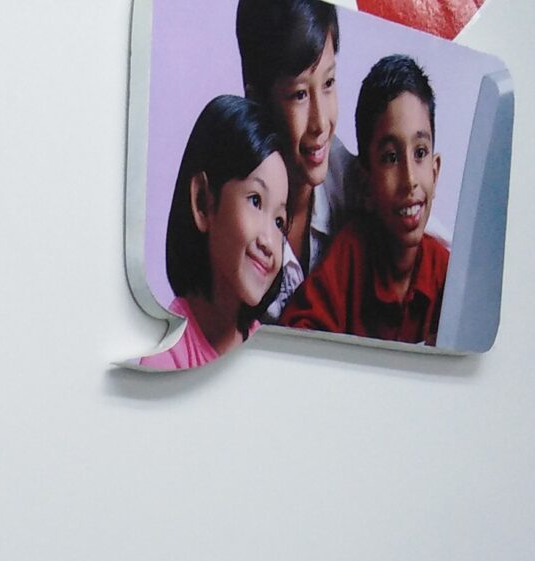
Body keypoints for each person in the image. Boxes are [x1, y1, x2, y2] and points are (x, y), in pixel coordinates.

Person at [278, 52, 447, 344]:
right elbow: (295, 334)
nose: (409, 179)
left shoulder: (446, 272)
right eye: (390, 157)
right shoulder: (352, 254)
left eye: (420, 153)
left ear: (435, 171)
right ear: (365, 183)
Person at [133, 94, 288, 372]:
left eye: (279, 222)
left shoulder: (269, 355)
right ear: (203, 202)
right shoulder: (167, 356)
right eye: (255, 200)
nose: (269, 242)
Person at [233, 0, 356, 317]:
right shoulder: (232, 215)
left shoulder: (352, 181)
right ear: (256, 100)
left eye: (328, 83)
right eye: (300, 94)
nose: (321, 123)